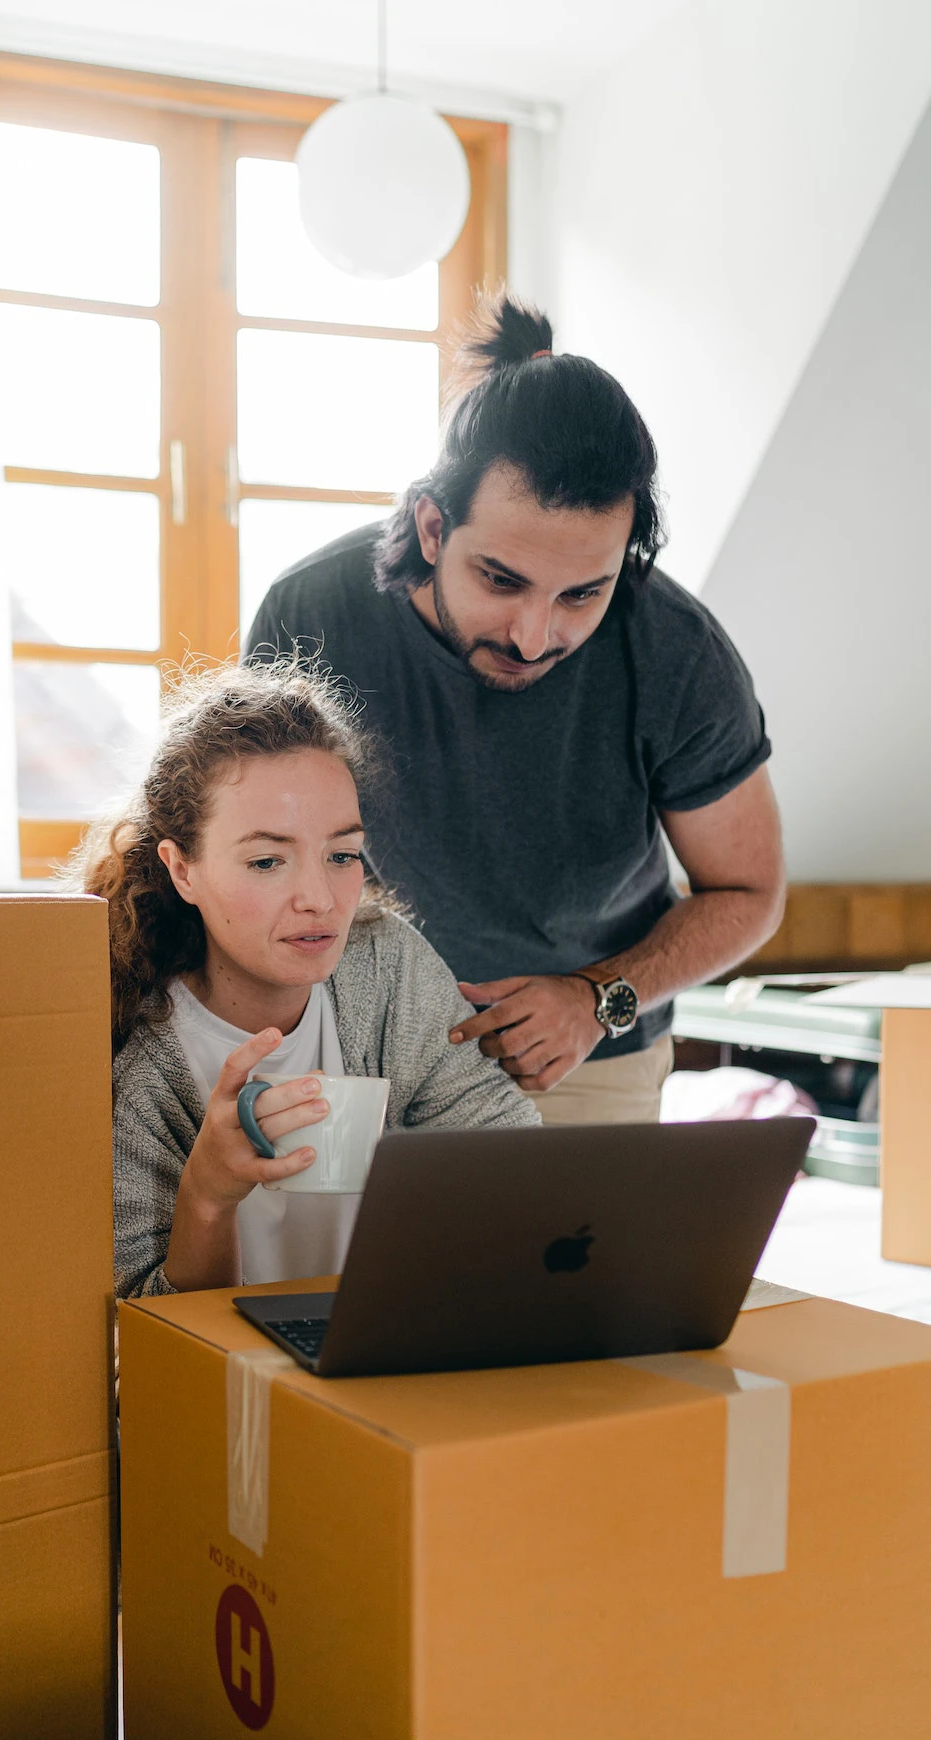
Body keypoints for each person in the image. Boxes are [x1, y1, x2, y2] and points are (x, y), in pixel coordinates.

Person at [245, 293, 786, 1127]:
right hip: (349, 1042)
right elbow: (256, 850)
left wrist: (598, 997)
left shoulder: (679, 651)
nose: (537, 636)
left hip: (586, 1054)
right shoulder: (311, 614)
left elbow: (750, 891)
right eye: (501, 579)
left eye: (583, 593)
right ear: (432, 527)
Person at [71, 662, 537, 1301]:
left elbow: (511, 1160)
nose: (320, 898)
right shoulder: (128, 1052)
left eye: (342, 855)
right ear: (182, 871)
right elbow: (139, 1350)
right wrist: (208, 1192)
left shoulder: (386, 969)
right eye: (267, 861)